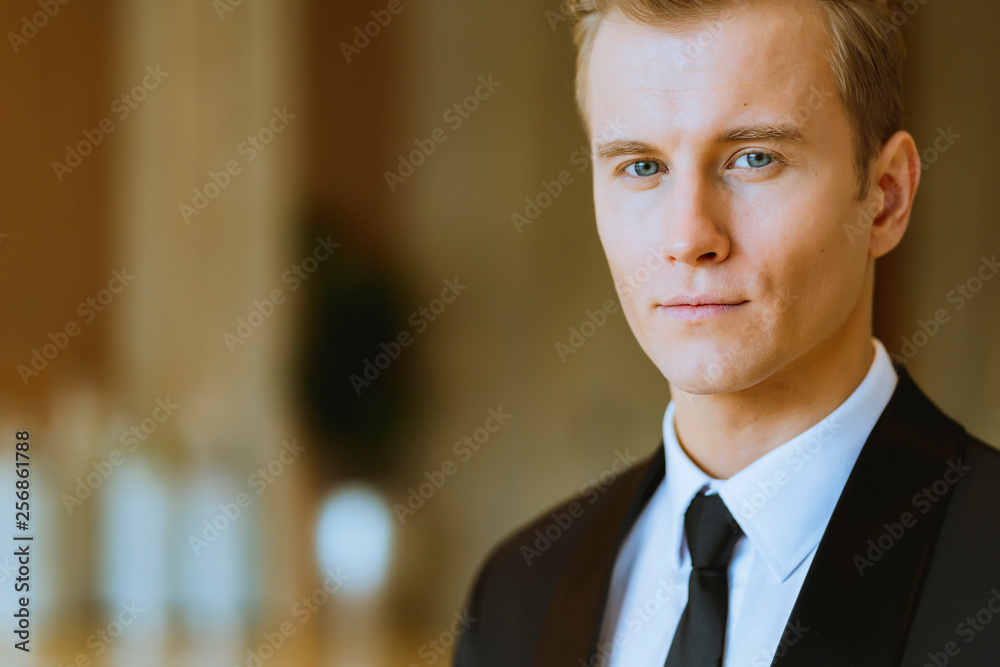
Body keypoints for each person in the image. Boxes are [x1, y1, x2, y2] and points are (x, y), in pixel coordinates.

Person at [453, 0, 1000, 665]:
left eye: (754, 158)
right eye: (643, 166)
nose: (688, 238)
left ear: (885, 196)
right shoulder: (516, 592)